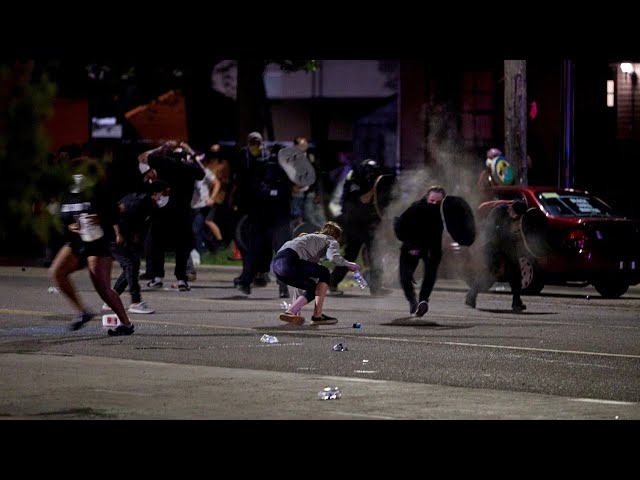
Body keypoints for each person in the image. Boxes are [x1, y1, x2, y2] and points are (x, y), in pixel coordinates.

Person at [49, 165, 135, 336]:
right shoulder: (66, 193)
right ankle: (84, 312)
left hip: (97, 241)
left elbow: (116, 210)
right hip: (77, 241)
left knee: (103, 288)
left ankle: (126, 324)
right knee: (57, 272)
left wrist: (100, 218)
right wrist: (70, 225)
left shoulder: (95, 190)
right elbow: (62, 216)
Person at [103, 179, 171, 315]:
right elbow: (113, 213)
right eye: (165, 193)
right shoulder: (138, 201)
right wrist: (118, 233)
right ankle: (135, 302)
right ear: (156, 193)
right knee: (131, 263)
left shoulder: (150, 205)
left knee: (131, 265)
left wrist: (134, 235)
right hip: (112, 236)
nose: (166, 197)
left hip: (124, 236)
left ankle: (111, 298)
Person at [271, 221, 360, 325]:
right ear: (337, 236)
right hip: (289, 261)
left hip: (276, 267)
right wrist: (348, 264)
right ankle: (317, 316)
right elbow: (333, 258)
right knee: (324, 272)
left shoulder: (306, 240)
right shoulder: (330, 239)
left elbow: (300, 287)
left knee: (311, 286)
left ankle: (292, 313)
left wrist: (296, 315)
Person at [328, 158, 393, 296]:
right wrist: (373, 189)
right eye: (372, 173)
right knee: (351, 255)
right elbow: (363, 199)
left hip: (369, 223)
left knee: (375, 254)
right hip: (355, 224)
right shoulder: (355, 180)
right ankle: (332, 282)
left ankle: (376, 288)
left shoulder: (368, 181)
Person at [465, 199, 528, 312]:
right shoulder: (498, 211)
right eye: (515, 214)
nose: (515, 217)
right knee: (490, 275)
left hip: (506, 246)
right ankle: (471, 295)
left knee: (516, 272)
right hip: (491, 245)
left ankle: (516, 301)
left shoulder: (515, 217)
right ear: (511, 208)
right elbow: (492, 231)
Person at [393, 186, 446, 317]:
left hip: (431, 247)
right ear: (427, 197)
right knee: (405, 277)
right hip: (411, 245)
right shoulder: (415, 208)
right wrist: (410, 245)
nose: (434, 204)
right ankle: (412, 302)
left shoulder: (445, 211)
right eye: (432, 200)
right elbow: (399, 226)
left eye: (438, 202)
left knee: (430, 274)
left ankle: (423, 301)